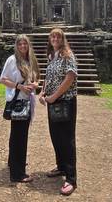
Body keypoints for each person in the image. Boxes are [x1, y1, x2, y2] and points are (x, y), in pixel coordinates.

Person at [39, 28, 78, 196]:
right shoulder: (52, 56)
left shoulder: (67, 54)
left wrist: (54, 96)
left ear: (62, 39)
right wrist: (43, 92)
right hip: (53, 102)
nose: (55, 38)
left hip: (66, 101)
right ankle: (61, 166)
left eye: (58, 36)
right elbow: (48, 77)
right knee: (56, 136)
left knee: (67, 139)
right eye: (52, 36)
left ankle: (71, 179)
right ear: (50, 39)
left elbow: (70, 77)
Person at [0, 34, 40, 183]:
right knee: (19, 137)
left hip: (28, 101)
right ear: (16, 46)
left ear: (28, 45)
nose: (23, 46)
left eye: (25, 44)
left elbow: (37, 77)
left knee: (18, 135)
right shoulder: (12, 60)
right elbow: (2, 79)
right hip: (18, 102)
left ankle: (14, 163)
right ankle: (18, 174)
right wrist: (19, 86)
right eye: (20, 44)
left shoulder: (30, 59)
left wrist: (35, 84)